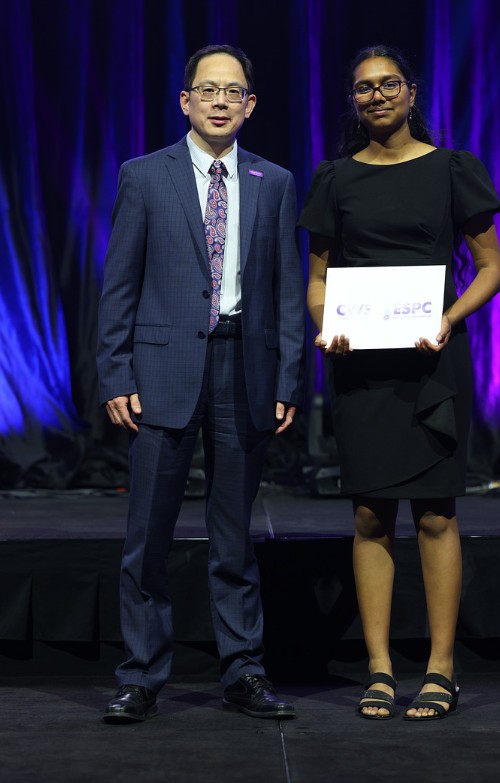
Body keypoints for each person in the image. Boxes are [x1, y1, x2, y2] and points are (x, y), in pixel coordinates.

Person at [97, 44, 305, 723]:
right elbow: (119, 284)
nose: (220, 100)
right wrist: (116, 370)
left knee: (232, 535)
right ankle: (139, 673)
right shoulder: (143, 176)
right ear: (185, 101)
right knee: (147, 536)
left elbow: (283, 290)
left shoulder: (272, 180)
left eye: (233, 91)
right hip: (161, 371)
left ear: (249, 104)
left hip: (243, 366)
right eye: (207, 89)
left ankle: (242, 670)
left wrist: (287, 376)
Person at [298, 45, 500, 721]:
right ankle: (380, 668)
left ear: (411, 92)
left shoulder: (450, 169)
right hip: (363, 366)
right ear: (351, 101)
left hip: (430, 363)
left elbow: (489, 268)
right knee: (368, 516)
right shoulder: (334, 178)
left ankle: (440, 667)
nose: (376, 95)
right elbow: (319, 279)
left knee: (437, 514)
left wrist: (447, 318)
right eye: (362, 88)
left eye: (388, 84)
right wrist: (325, 326)